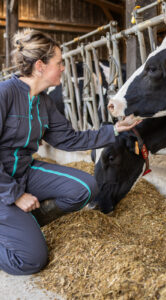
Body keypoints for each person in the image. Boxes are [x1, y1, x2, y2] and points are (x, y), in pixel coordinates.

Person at [0, 29, 141, 275]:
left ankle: (21, 225)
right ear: (41, 66)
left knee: (86, 187)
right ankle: (15, 225)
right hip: (3, 184)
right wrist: (14, 195)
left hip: (23, 171)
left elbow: (68, 139)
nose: (64, 68)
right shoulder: (5, 94)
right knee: (31, 261)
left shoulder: (44, 101)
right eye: (60, 62)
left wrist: (116, 130)